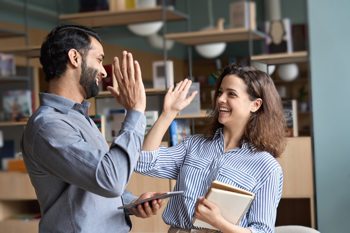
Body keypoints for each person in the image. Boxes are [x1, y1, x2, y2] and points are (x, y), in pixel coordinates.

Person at [21, 24, 163, 233]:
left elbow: (95, 182)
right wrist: (136, 111)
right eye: (99, 59)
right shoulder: (48, 126)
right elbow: (110, 180)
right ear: (75, 58)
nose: (104, 71)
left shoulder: (80, 117)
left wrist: (131, 203)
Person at [135, 64, 286, 233]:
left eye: (232, 94)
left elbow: (263, 230)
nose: (221, 99)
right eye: (220, 92)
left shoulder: (267, 167)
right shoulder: (193, 145)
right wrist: (168, 113)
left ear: (255, 105)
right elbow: (143, 162)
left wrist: (218, 222)